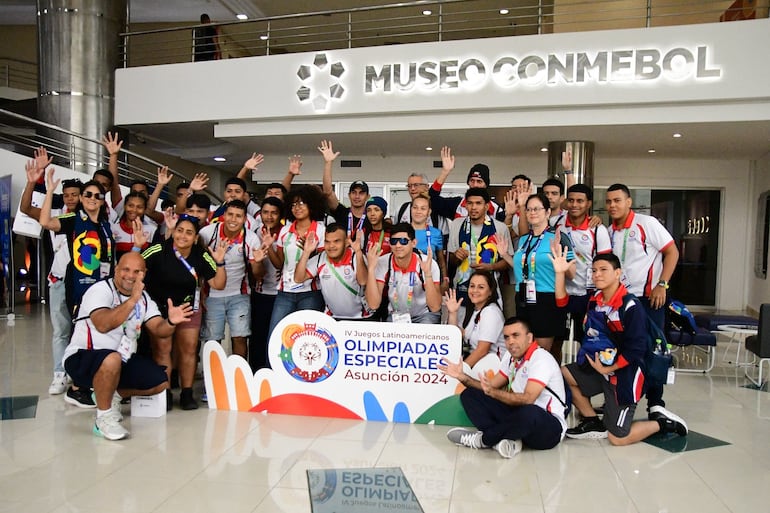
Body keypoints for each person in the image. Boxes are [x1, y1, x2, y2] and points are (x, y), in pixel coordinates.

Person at [558, 253, 688, 444]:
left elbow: (637, 350)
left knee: (618, 438)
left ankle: (663, 423)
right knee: (562, 373)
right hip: (600, 368)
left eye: (603, 270)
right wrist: (560, 273)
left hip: (625, 374)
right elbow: (563, 303)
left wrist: (609, 368)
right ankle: (593, 421)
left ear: (618, 273)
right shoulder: (594, 298)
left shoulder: (630, 306)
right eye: (594, 271)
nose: (597, 275)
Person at [62, 252, 192, 440]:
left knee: (161, 381)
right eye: (126, 270)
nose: (130, 275)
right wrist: (132, 301)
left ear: (144, 274)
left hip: (120, 361)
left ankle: (110, 395)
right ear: (116, 269)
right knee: (111, 359)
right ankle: (103, 419)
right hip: (83, 357)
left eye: (137, 271)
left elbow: (158, 329)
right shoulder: (100, 290)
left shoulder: (144, 298)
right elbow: (103, 324)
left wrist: (171, 321)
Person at [438, 317, 567, 458]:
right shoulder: (510, 357)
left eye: (516, 336)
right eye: (506, 337)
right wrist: (462, 377)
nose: (510, 341)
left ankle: (484, 440)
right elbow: (490, 387)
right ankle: (506, 440)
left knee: (530, 412)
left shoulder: (541, 359)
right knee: (470, 394)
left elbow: (527, 399)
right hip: (518, 415)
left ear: (529, 338)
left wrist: (493, 392)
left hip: (548, 428)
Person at [605, 183, 679, 417]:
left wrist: (662, 284)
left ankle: (656, 404)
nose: (612, 205)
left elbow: (672, 252)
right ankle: (621, 399)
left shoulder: (647, 224)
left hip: (648, 299)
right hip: (620, 300)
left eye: (617, 200)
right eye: (609, 201)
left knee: (653, 348)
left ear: (628, 202)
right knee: (622, 350)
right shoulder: (609, 231)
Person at [142, 214, 227, 410]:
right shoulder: (158, 250)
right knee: (162, 350)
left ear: (196, 237)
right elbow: (137, 264)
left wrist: (220, 263)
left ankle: (187, 393)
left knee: (188, 349)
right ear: (173, 231)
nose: (183, 236)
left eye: (189, 233)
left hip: (188, 308)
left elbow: (218, 284)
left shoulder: (201, 254)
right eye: (180, 230)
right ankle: (165, 392)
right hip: (161, 309)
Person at [19, 151, 82, 395]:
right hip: (58, 281)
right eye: (66, 196)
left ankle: (78, 372)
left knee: (81, 329)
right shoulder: (54, 216)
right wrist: (34, 180)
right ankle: (59, 374)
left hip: (81, 281)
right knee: (60, 330)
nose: (70, 199)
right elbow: (25, 208)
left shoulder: (88, 219)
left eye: (74, 195)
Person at [511, 193, 574, 357]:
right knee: (525, 350)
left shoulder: (558, 237)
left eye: (537, 209)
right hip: (523, 298)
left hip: (546, 299)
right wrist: (505, 255)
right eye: (529, 209)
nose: (532, 213)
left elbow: (572, 273)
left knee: (542, 354)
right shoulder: (524, 240)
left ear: (547, 212)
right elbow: (522, 267)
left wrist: (561, 265)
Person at [198, 200, 262, 359]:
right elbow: (199, 264)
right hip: (212, 295)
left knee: (240, 337)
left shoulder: (251, 238)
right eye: (230, 214)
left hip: (239, 295)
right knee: (213, 340)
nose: (234, 219)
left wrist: (258, 262)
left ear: (245, 218)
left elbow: (258, 274)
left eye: (238, 216)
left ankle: (238, 378)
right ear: (224, 215)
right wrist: (200, 293)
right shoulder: (207, 233)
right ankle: (212, 379)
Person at [265, 185, 327, 338]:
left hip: (310, 293)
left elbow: (322, 264)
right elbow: (279, 264)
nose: (296, 208)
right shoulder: (285, 231)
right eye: (293, 204)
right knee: (276, 335)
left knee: (308, 337)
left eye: (301, 203)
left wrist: (310, 252)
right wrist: (269, 248)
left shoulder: (320, 230)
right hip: (285, 292)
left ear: (311, 205)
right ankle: (270, 363)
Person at [553, 184, 612, 342]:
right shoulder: (555, 224)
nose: (574, 205)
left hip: (587, 295)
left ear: (589, 204)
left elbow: (605, 265)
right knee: (556, 341)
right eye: (571, 200)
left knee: (587, 340)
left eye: (580, 201)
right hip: (560, 291)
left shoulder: (598, 230)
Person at [447, 188, 512, 309]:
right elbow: (451, 260)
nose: (473, 207)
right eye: (470, 203)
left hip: (489, 288)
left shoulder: (500, 227)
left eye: (478, 203)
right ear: (465, 205)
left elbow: (508, 261)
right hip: (462, 288)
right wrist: (456, 256)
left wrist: (491, 267)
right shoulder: (457, 224)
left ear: (487, 206)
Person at [365, 223, 441, 324]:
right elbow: (373, 305)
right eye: (394, 241)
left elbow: (435, 307)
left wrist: (427, 274)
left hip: (423, 315)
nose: (398, 245)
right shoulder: (383, 262)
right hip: (396, 316)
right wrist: (370, 269)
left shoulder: (427, 263)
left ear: (414, 243)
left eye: (403, 241)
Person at [294, 223, 372, 320]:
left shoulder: (356, 256)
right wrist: (306, 252)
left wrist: (359, 252)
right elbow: (298, 278)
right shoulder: (321, 258)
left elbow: (363, 281)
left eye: (336, 241)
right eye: (327, 242)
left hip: (361, 317)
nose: (331, 246)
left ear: (347, 242)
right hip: (332, 318)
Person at [249, 196, 283, 370]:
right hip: (260, 293)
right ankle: (257, 372)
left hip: (281, 294)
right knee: (258, 335)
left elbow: (281, 264)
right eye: (265, 212)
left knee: (278, 336)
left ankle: (276, 371)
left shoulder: (286, 232)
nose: (269, 217)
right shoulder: (254, 233)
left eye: (274, 213)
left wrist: (269, 246)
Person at [428, 146, 505, 222]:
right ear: (468, 183)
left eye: (479, 181)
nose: (475, 185)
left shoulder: (496, 210)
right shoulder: (457, 204)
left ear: (486, 185)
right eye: (472, 181)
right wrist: (445, 172)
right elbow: (431, 199)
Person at [445, 272, 506, 367]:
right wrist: (453, 313)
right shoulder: (474, 310)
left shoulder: (491, 312)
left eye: (481, 287)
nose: (475, 290)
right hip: (477, 366)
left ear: (490, 291)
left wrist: (460, 371)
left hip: (492, 369)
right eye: (472, 286)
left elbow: (482, 350)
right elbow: (456, 335)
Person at [319, 140, 370, 239]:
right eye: (354, 192)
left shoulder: (371, 217)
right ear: (349, 195)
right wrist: (328, 163)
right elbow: (327, 192)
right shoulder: (342, 212)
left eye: (361, 193)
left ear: (368, 197)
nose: (357, 196)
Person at [409, 192, 448, 291]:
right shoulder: (401, 230)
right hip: (405, 281)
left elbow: (441, 261)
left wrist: (444, 280)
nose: (418, 211)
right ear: (411, 209)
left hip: (430, 281)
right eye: (415, 207)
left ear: (429, 212)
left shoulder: (436, 233)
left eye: (423, 208)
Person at [111, 191, 157, 261]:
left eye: (139, 207)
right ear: (124, 206)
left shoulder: (152, 230)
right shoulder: (112, 229)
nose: (134, 210)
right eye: (130, 206)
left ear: (145, 209)